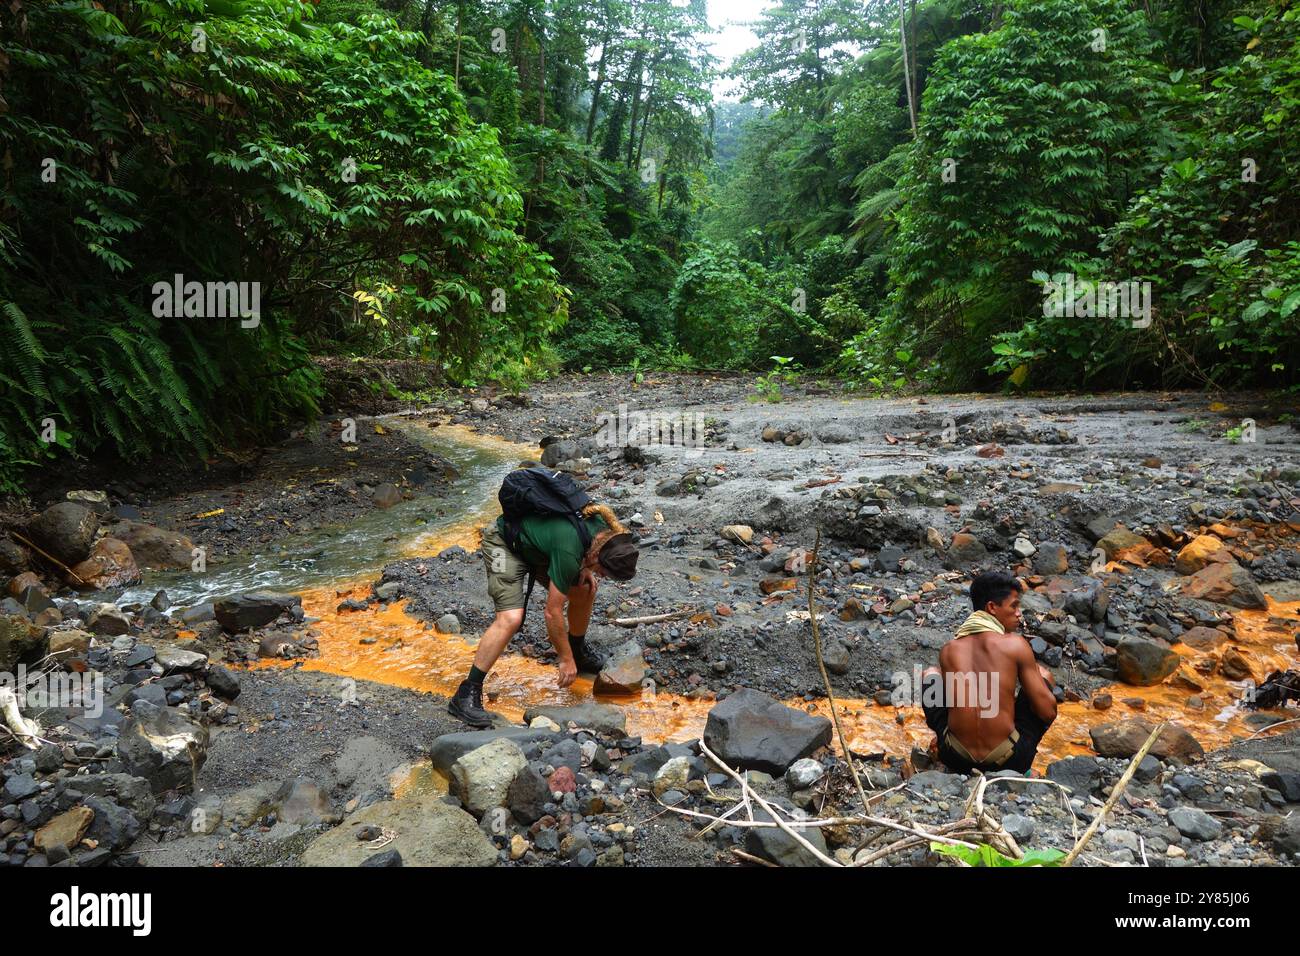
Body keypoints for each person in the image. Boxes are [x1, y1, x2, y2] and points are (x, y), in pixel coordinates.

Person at [448, 500, 639, 728]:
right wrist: (564, 660)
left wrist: (588, 568)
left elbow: (581, 548)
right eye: (604, 571)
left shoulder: (606, 532)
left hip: (539, 550)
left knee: (585, 589)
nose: (604, 576)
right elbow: (552, 612)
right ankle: (467, 693)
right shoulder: (570, 548)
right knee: (511, 618)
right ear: (598, 555)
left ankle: (578, 651)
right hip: (505, 543)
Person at [920, 571, 1057, 774]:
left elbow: (949, 707)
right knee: (1043, 675)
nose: (1019, 613)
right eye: (1014, 606)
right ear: (992, 607)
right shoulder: (1015, 644)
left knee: (930, 674)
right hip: (1011, 761)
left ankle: (943, 746)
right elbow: (1048, 712)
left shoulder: (950, 648)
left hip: (955, 758)